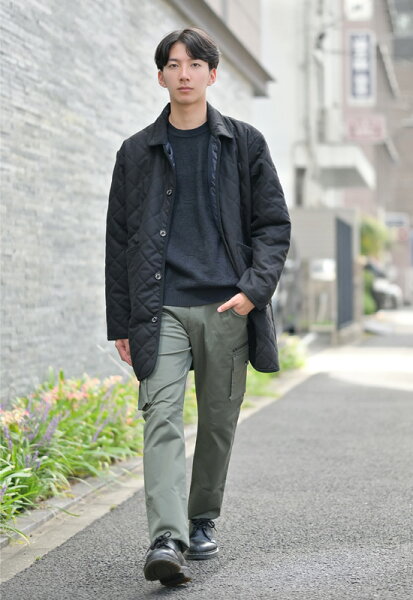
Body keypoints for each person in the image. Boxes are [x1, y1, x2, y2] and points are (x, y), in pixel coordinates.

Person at [105, 27, 291, 587]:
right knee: (160, 415)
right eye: (173, 64)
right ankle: (166, 538)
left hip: (227, 307)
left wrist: (253, 292)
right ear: (160, 76)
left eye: (193, 64)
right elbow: (119, 241)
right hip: (159, 307)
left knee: (216, 421)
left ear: (212, 74)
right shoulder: (136, 152)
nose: (183, 73)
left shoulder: (245, 143)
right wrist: (121, 321)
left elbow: (273, 225)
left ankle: (201, 516)